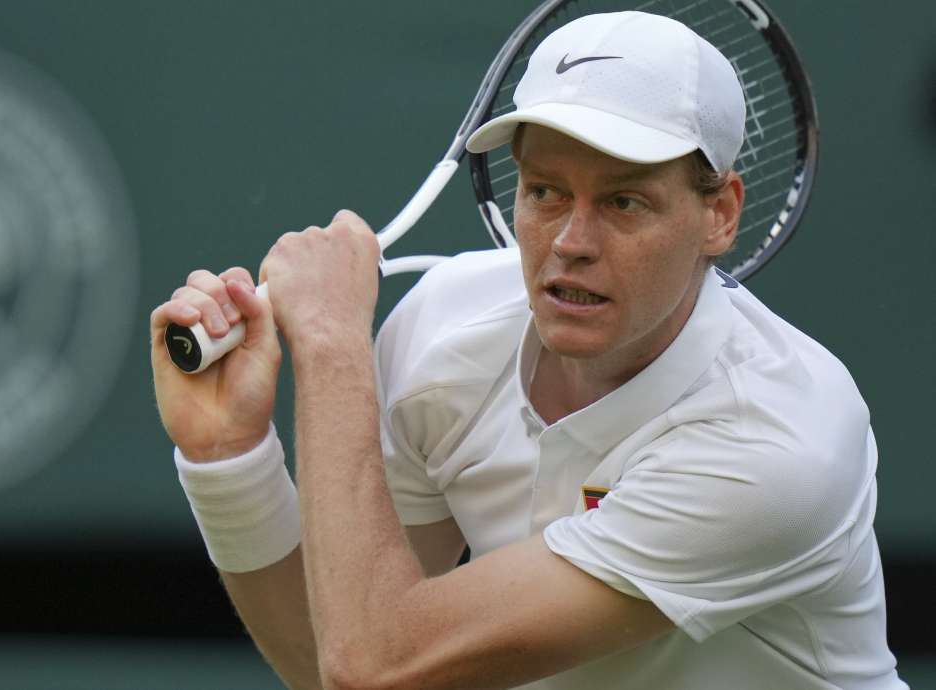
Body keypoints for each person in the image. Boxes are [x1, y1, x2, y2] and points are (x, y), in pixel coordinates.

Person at [150, 11, 906, 690]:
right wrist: (230, 456)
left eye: (623, 201)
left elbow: (377, 667)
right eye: (545, 191)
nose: (570, 244)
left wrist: (332, 346)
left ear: (719, 213)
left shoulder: (777, 444)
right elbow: (334, 660)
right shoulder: (442, 333)